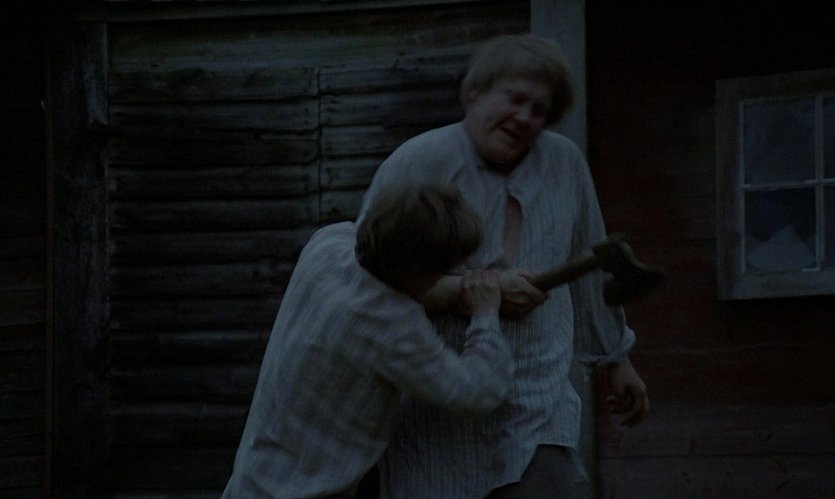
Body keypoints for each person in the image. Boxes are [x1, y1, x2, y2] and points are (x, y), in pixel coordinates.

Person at [358, 34, 650, 499]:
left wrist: (617, 358)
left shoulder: (564, 164)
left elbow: (593, 263)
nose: (525, 117)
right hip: (438, 406)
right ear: (476, 92)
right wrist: (474, 295)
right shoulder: (419, 162)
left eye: (539, 110)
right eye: (515, 99)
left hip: (537, 400)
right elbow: (371, 281)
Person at [221, 185, 514, 498]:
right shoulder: (392, 324)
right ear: (419, 271)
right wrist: (485, 313)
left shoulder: (326, 244)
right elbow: (478, 392)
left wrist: (455, 289)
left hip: (249, 483)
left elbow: (397, 284)